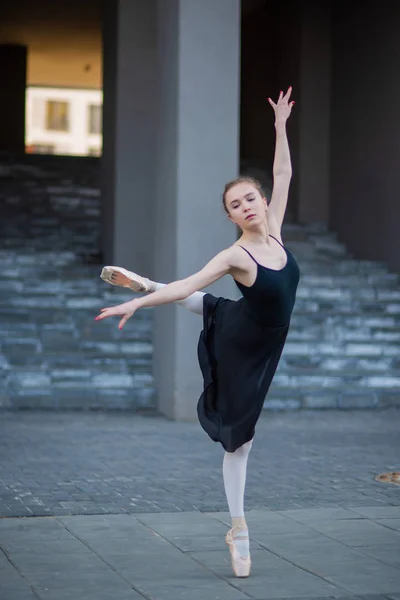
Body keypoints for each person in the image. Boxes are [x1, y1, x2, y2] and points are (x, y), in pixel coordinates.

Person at [95, 87, 300, 578]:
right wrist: (139, 302)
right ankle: (239, 528)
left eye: (251, 197)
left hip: (260, 335)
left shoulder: (274, 230)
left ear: (263, 202)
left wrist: (279, 127)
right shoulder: (236, 256)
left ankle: (144, 280)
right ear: (229, 217)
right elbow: (188, 283)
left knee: (211, 307)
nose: (247, 205)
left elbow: (283, 172)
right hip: (242, 345)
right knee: (239, 442)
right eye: (236, 204)